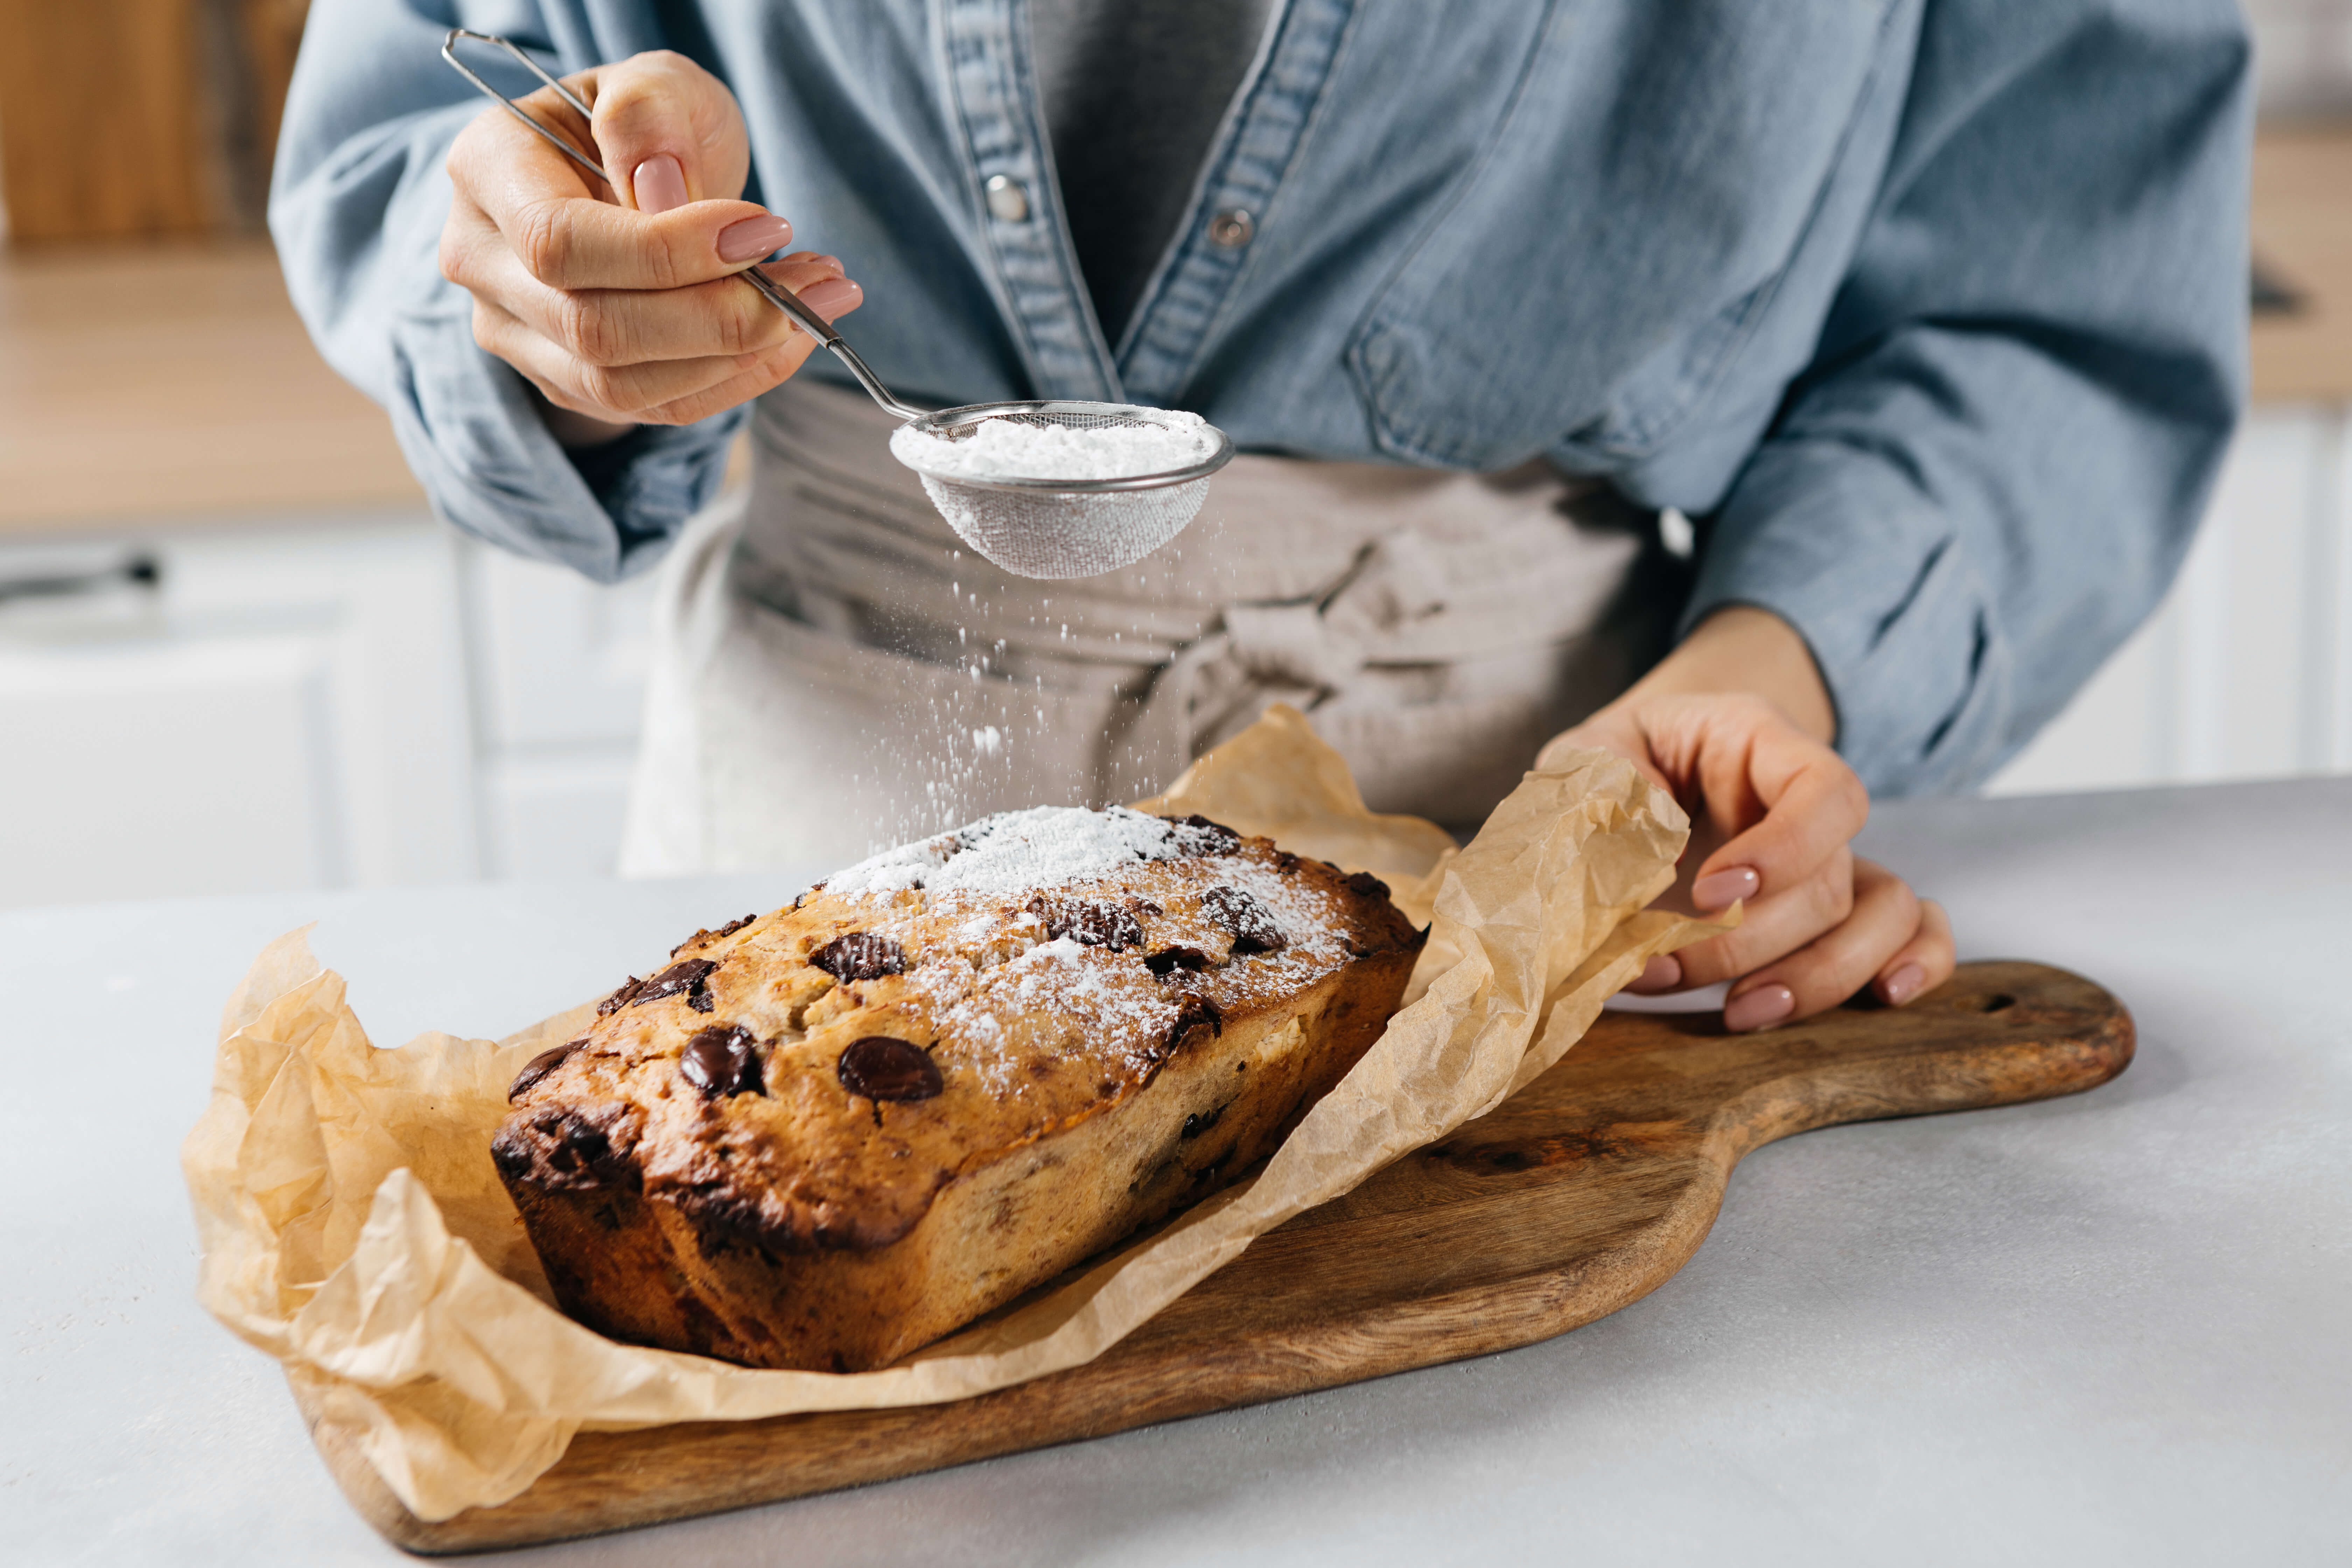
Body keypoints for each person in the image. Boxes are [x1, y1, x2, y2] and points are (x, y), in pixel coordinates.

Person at [272, 1, 2249, 1032]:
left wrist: (1768, 677)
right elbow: (421, 123)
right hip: (814, 824)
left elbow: (2044, 291)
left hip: (1553, 878)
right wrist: (547, 270)